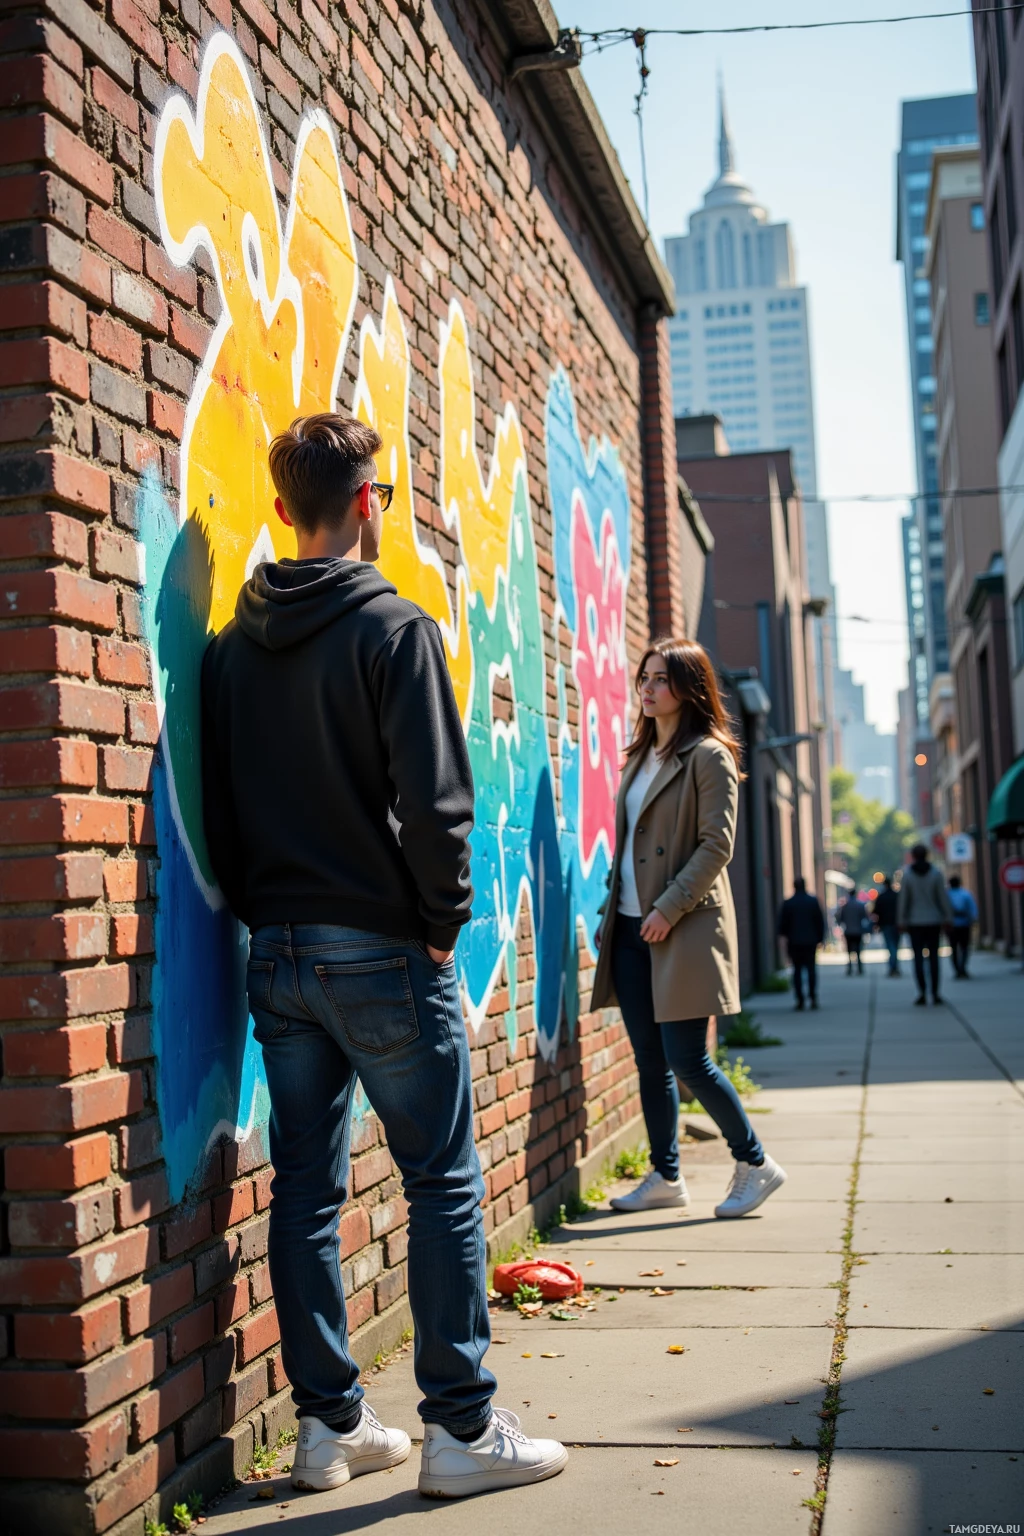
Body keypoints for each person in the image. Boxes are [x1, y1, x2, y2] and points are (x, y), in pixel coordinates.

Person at [201, 414, 566, 1501]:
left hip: (277, 953)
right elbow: (438, 807)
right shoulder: (395, 630)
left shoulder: (227, 650)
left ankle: (329, 1430)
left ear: (280, 512)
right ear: (370, 503)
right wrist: (440, 921)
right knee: (443, 1184)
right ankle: (460, 1431)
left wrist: (273, 915)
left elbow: (220, 814)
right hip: (382, 948)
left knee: (306, 1188)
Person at [590, 638, 786, 1220]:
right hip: (628, 925)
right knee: (649, 1060)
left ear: (688, 687)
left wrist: (667, 908)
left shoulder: (709, 754)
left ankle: (754, 1162)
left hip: (679, 927)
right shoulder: (640, 754)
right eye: (643, 677)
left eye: (658, 679)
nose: (645, 688)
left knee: (688, 1060)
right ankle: (665, 1174)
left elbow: (716, 845)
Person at [896, 843, 954, 1006]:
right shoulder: (936, 874)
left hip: (915, 923)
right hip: (933, 921)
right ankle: (935, 993)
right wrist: (948, 917)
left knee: (918, 959)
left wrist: (901, 920)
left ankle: (922, 992)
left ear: (913, 856)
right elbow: (942, 898)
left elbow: (904, 900)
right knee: (934, 958)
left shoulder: (907, 875)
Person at [777, 877, 826, 1009]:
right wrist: (821, 939)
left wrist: (784, 938)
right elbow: (820, 922)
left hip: (794, 942)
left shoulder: (788, 903)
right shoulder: (812, 902)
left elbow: (782, 925)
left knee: (797, 971)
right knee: (811, 970)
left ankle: (800, 1000)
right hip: (810, 941)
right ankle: (813, 997)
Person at [946, 875, 978, 979]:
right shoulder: (966, 894)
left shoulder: (946, 895)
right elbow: (973, 909)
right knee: (964, 947)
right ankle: (962, 967)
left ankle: (957, 970)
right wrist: (974, 919)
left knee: (953, 948)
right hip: (964, 924)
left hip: (951, 926)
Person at [871, 875, 901, 976]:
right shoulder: (896, 896)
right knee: (895, 946)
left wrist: (876, 924)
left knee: (890, 946)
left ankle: (893, 967)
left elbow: (876, 911)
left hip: (886, 924)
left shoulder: (882, 897)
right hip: (897, 924)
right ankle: (894, 966)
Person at [837, 892, 869, 975]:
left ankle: (850, 967)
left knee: (849, 950)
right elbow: (865, 917)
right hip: (858, 930)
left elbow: (840, 919)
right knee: (858, 950)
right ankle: (859, 968)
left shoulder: (845, 906)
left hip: (848, 931)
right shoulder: (860, 905)